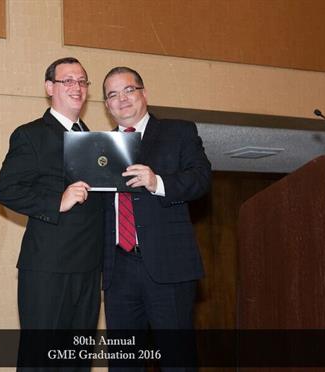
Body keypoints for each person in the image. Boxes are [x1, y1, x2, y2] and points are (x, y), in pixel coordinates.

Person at [102, 67, 211, 371]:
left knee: (178, 362)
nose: (121, 99)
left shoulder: (179, 131)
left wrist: (157, 182)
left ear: (144, 93)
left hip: (169, 268)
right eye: (112, 94)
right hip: (117, 271)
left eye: (128, 90)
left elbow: (201, 179)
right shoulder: (98, 148)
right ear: (107, 106)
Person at [0, 57, 103, 332]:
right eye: (67, 80)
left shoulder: (96, 141)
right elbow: (4, 190)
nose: (76, 87)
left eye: (82, 81)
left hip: (90, 268)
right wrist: (58, 201)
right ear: (48, 87)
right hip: (49, 267)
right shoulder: (30, 134)